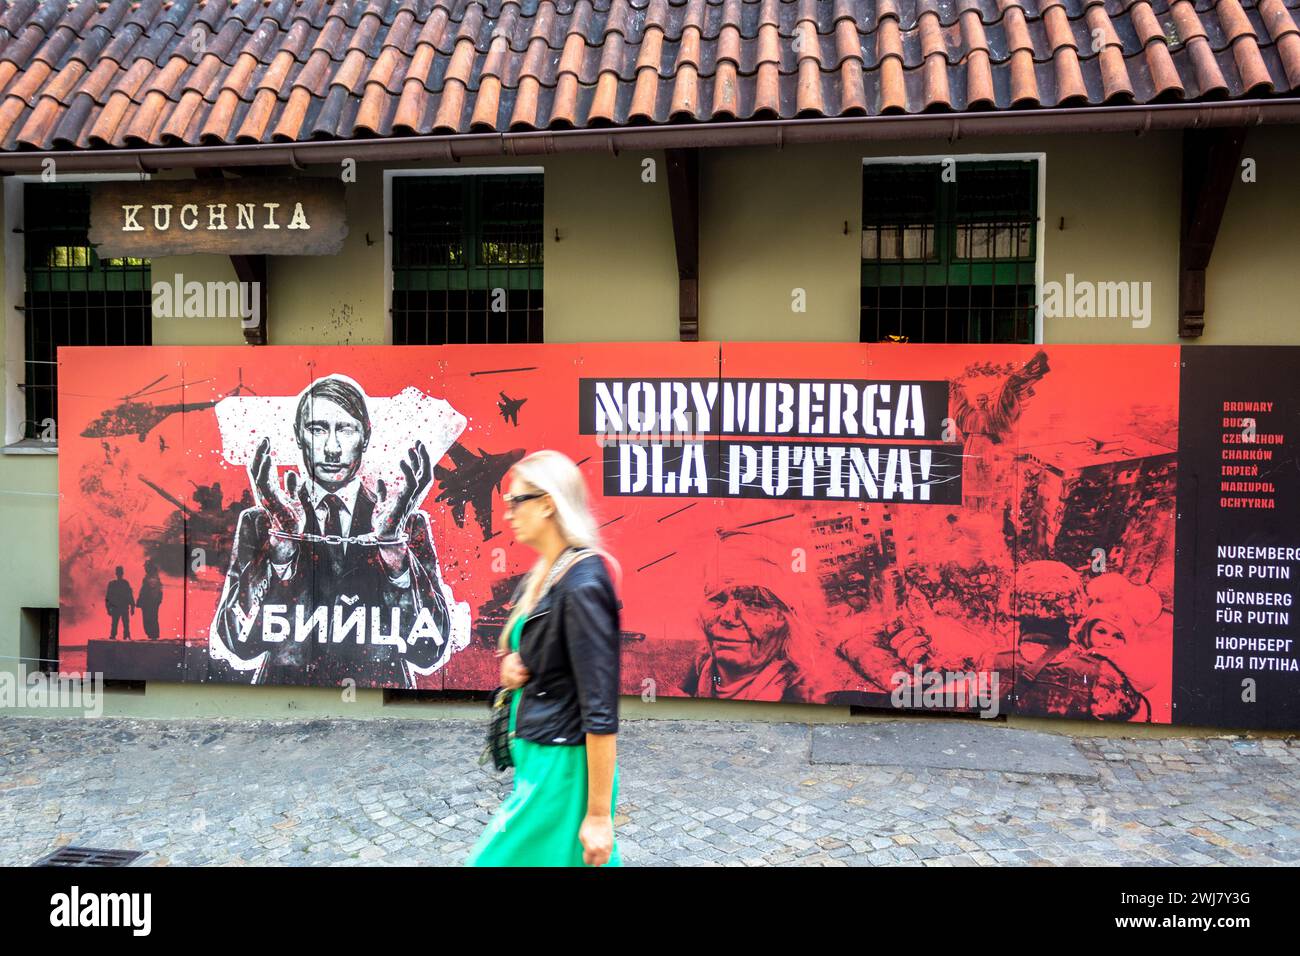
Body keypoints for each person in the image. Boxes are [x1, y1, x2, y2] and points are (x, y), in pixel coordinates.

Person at [209, 374, 457, 688]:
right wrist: (281, 546)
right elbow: (239, 642)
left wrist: (393, 549)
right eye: (317, 429)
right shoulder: (260, 523)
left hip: (381, 702)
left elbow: (428, 650)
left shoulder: (407, 525)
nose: (332, 448)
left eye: (345, 429)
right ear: (298, 436)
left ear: (365, 436)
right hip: (286, 698)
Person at [466, 449, 623, 867]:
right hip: (540, 756)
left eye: (516, 501)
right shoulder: (550, 573)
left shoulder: (583, 585)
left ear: (548, 503)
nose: (507, 514)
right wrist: (515, 668)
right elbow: (549, 658)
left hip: (563, 766)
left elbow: (601, 709)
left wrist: (597, 816)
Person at [104, 566, 134, 640]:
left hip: (119, 607)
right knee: (118, 623)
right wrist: (132, 607)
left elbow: (129, 595)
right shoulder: (121, 583)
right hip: (118, 607)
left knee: (123, 623)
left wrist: (132, 607)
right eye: (119, 572)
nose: (119, 574)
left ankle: (123, 635)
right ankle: (120, 635)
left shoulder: (117, 583)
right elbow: (108, 597)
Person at [137, 560, 163, 641]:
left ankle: (153, 634)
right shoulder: (152, 577)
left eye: (146, 567)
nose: (145, 568)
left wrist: (142, 599)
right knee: (151, 618)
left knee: (150, 618)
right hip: (150, 601)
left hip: (150, 602)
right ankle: (152, 634)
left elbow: (148, 590)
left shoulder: (152, 577)